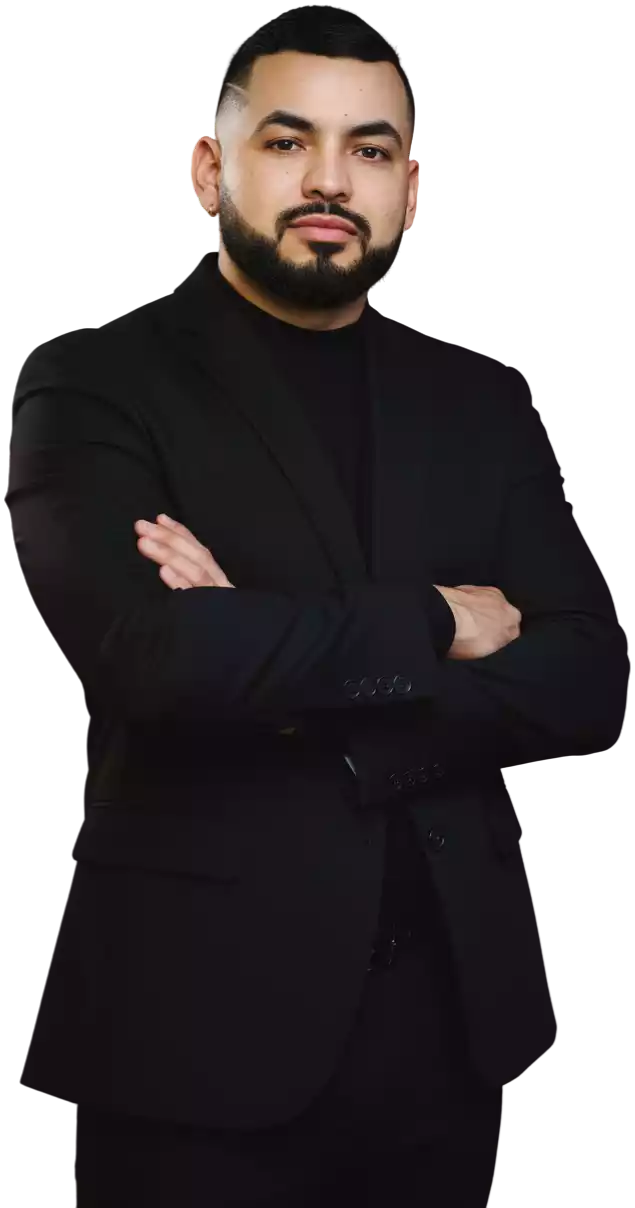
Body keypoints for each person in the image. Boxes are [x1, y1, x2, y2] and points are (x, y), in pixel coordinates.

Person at [7, 7, 629, 1206]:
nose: (330, 180)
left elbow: (588, 677)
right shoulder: (91, 378)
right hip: (190, 1032)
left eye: (369, 149)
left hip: (455, 1031)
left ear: (410, 193)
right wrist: (436, 620)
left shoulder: (485, 398)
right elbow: (151, 656)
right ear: (210, 170)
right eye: (289, 141)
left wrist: (274, 656)